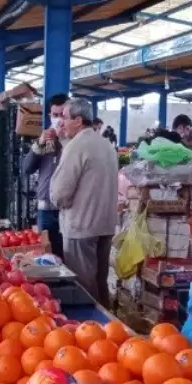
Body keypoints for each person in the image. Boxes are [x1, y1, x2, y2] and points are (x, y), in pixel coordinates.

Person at [50, 98, 119, 308]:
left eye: (64, 117)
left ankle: (92, 333)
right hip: (105, 225)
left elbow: (60, 193)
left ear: (78, 120)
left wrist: (57, 201)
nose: (61, 122)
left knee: (84, 288)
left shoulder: (77, 146)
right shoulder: (105, 144)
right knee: (100, 283)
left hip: (82, 226)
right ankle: (110, 329)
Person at [21, 93, 69, 259]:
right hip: (45, 210)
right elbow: (26, 169)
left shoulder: (74, 142)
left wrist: (64, 139)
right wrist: (39, 144)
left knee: (66, 257)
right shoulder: (44, 141)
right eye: (55, 115)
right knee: (46, 257)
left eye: (62, 115)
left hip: (67, 210)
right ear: (49, 116)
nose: (58, 120)